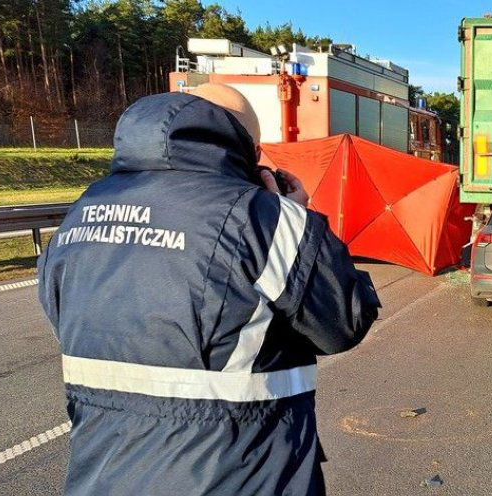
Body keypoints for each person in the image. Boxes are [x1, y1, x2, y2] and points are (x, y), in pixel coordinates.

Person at [37, 83, 380, 495]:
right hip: (240, 477)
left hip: (101, 478)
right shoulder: (267, 220)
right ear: (250, 152)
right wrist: (293, 213)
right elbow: (344, 321)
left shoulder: (81, 214)